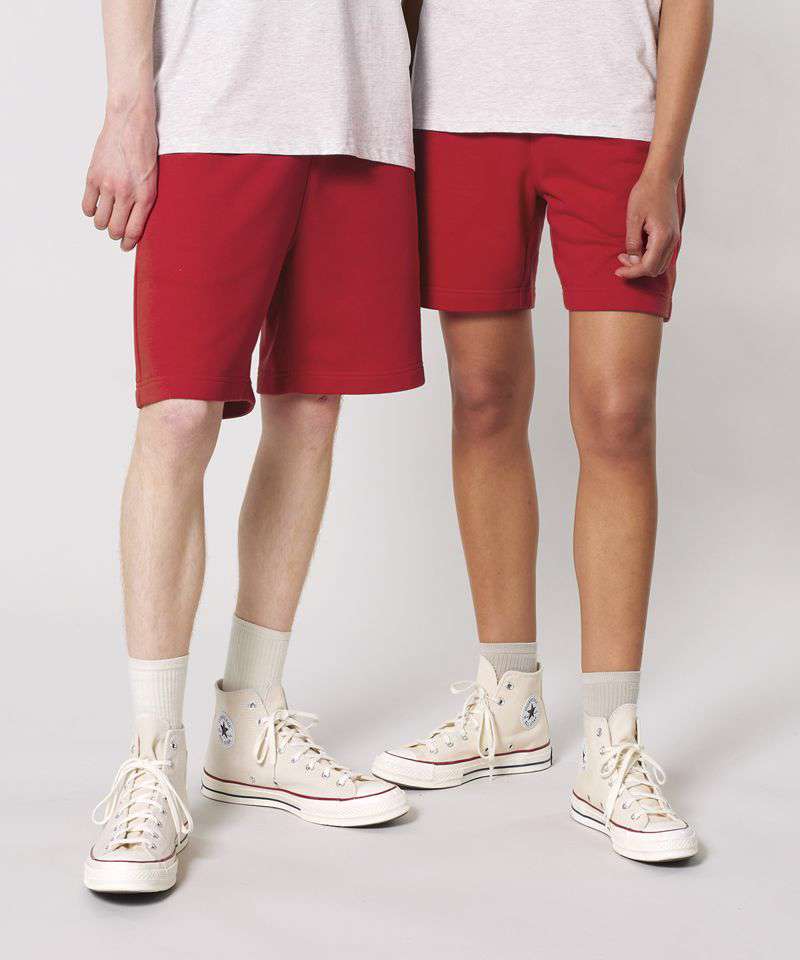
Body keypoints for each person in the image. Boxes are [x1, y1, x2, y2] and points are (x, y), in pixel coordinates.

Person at [82, 0, 423, 894]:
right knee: (177, 415)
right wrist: (128, 105)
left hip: (360, 106)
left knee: (311, 404)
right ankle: (152, 756)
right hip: (210, 103)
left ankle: (249, 724)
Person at [374, 0, 713, 863]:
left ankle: (612, 741)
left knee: (618, 416)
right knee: (482, 398)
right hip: (458, 116)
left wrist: (665, 159)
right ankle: (509, 705)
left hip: (614, 119)